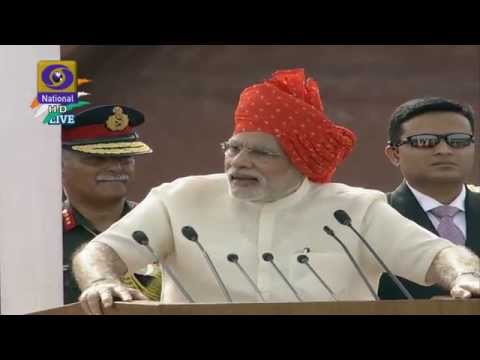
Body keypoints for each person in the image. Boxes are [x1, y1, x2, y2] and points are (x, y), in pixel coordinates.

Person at [72, 69, 480, 315]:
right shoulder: (180, 199)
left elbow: (440, 255)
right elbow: (99, 253)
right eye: (233, 148)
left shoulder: (354, 210)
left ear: (299, 159)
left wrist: (464, 275)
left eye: (260, 153)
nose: (238, 162)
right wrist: (100, 281)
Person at [378, 97, 480, 299]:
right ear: (394, 154)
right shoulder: (374, 217)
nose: (444, 150)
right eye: (425, 141)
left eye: (458, 141)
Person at [62, 104, 161, 304]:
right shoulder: (39, 235)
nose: (116, 168)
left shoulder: (157, 226)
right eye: (97, 159)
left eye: (125, 158)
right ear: (59, 163)